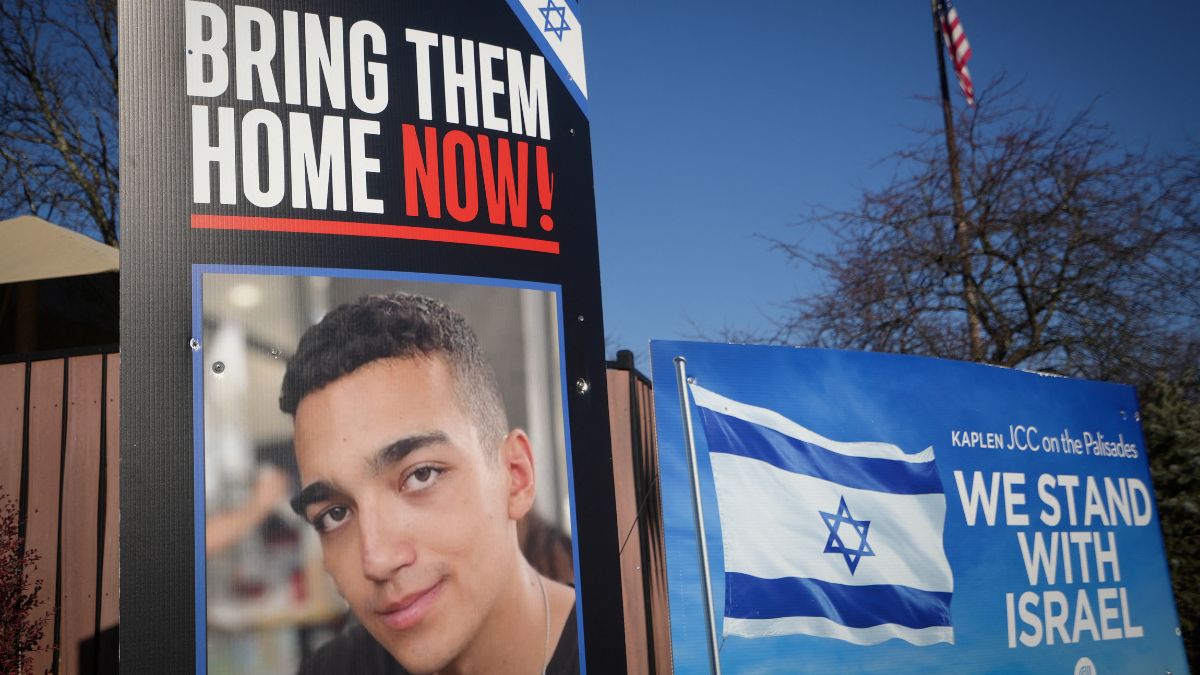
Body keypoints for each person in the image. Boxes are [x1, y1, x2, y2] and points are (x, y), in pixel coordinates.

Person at [279, 293, 578, 675]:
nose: (377, 560)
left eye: (421, 475)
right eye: (335, 514)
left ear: (516, 476)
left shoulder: (632, 649)